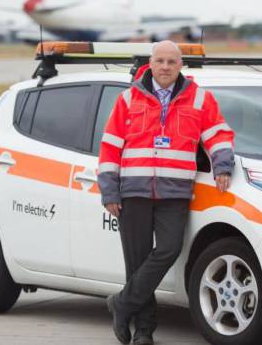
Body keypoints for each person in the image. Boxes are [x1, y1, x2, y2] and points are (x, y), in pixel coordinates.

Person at [97, 40, 235, 345]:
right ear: (151, 62)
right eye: (160, 61)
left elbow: (218, 134)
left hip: (175, 191)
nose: (165, 67)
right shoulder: (128, 99)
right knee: (137, 261)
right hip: (133, 191)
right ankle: (143, 331)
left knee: (170, 249)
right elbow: (109, 146)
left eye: (172, 61)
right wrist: (109, 191)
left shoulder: (200, 99)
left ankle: (122, 303)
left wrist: (222, 165)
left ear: (180, 65)